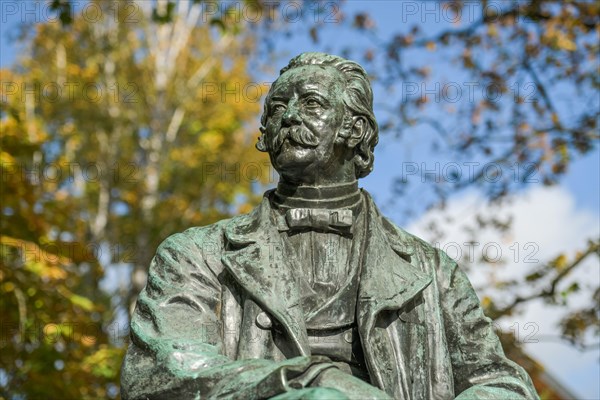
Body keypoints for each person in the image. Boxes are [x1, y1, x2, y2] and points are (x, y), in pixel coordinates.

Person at [121, 52, 539, 400]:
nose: (288, 117)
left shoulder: (432, 273)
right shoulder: (198, 255)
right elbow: (162, 375)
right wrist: (310, 381)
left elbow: (501, 384)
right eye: (277, 108)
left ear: (355, 129)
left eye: (311, 103)